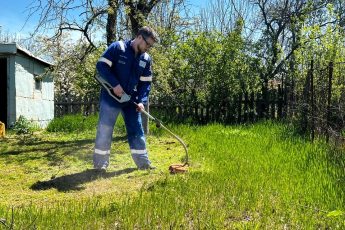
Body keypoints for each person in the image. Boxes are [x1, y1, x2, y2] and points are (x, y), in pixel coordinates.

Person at [93, 26, 159, 171]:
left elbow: (145, 83)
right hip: (111, 97)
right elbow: (102, 66)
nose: (148, 48)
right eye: (147, 44)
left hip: (130, 100)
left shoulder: (146, 59)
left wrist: (141, 101)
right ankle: (99, 166)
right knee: (105, 129)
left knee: (137, 129)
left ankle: (143, 164)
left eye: (150, 46)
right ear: (140, 37)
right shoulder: (118, 47)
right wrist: (115, 84)